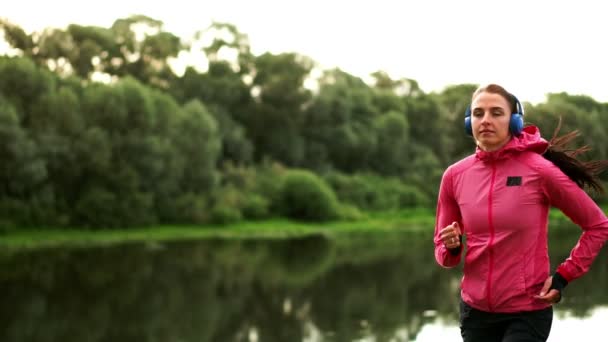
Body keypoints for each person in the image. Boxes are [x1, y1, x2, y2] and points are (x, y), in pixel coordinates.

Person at [433, 83, 608, 342]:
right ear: (469, 122)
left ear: (515, 121)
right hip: (475, 312)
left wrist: (564, 276)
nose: (486, 120)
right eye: (478, 113)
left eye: (496, 112)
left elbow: (598, 225)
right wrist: (453, 246)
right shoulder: (454, 176)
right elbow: (444, 256)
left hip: (526, 311)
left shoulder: (539, 170)